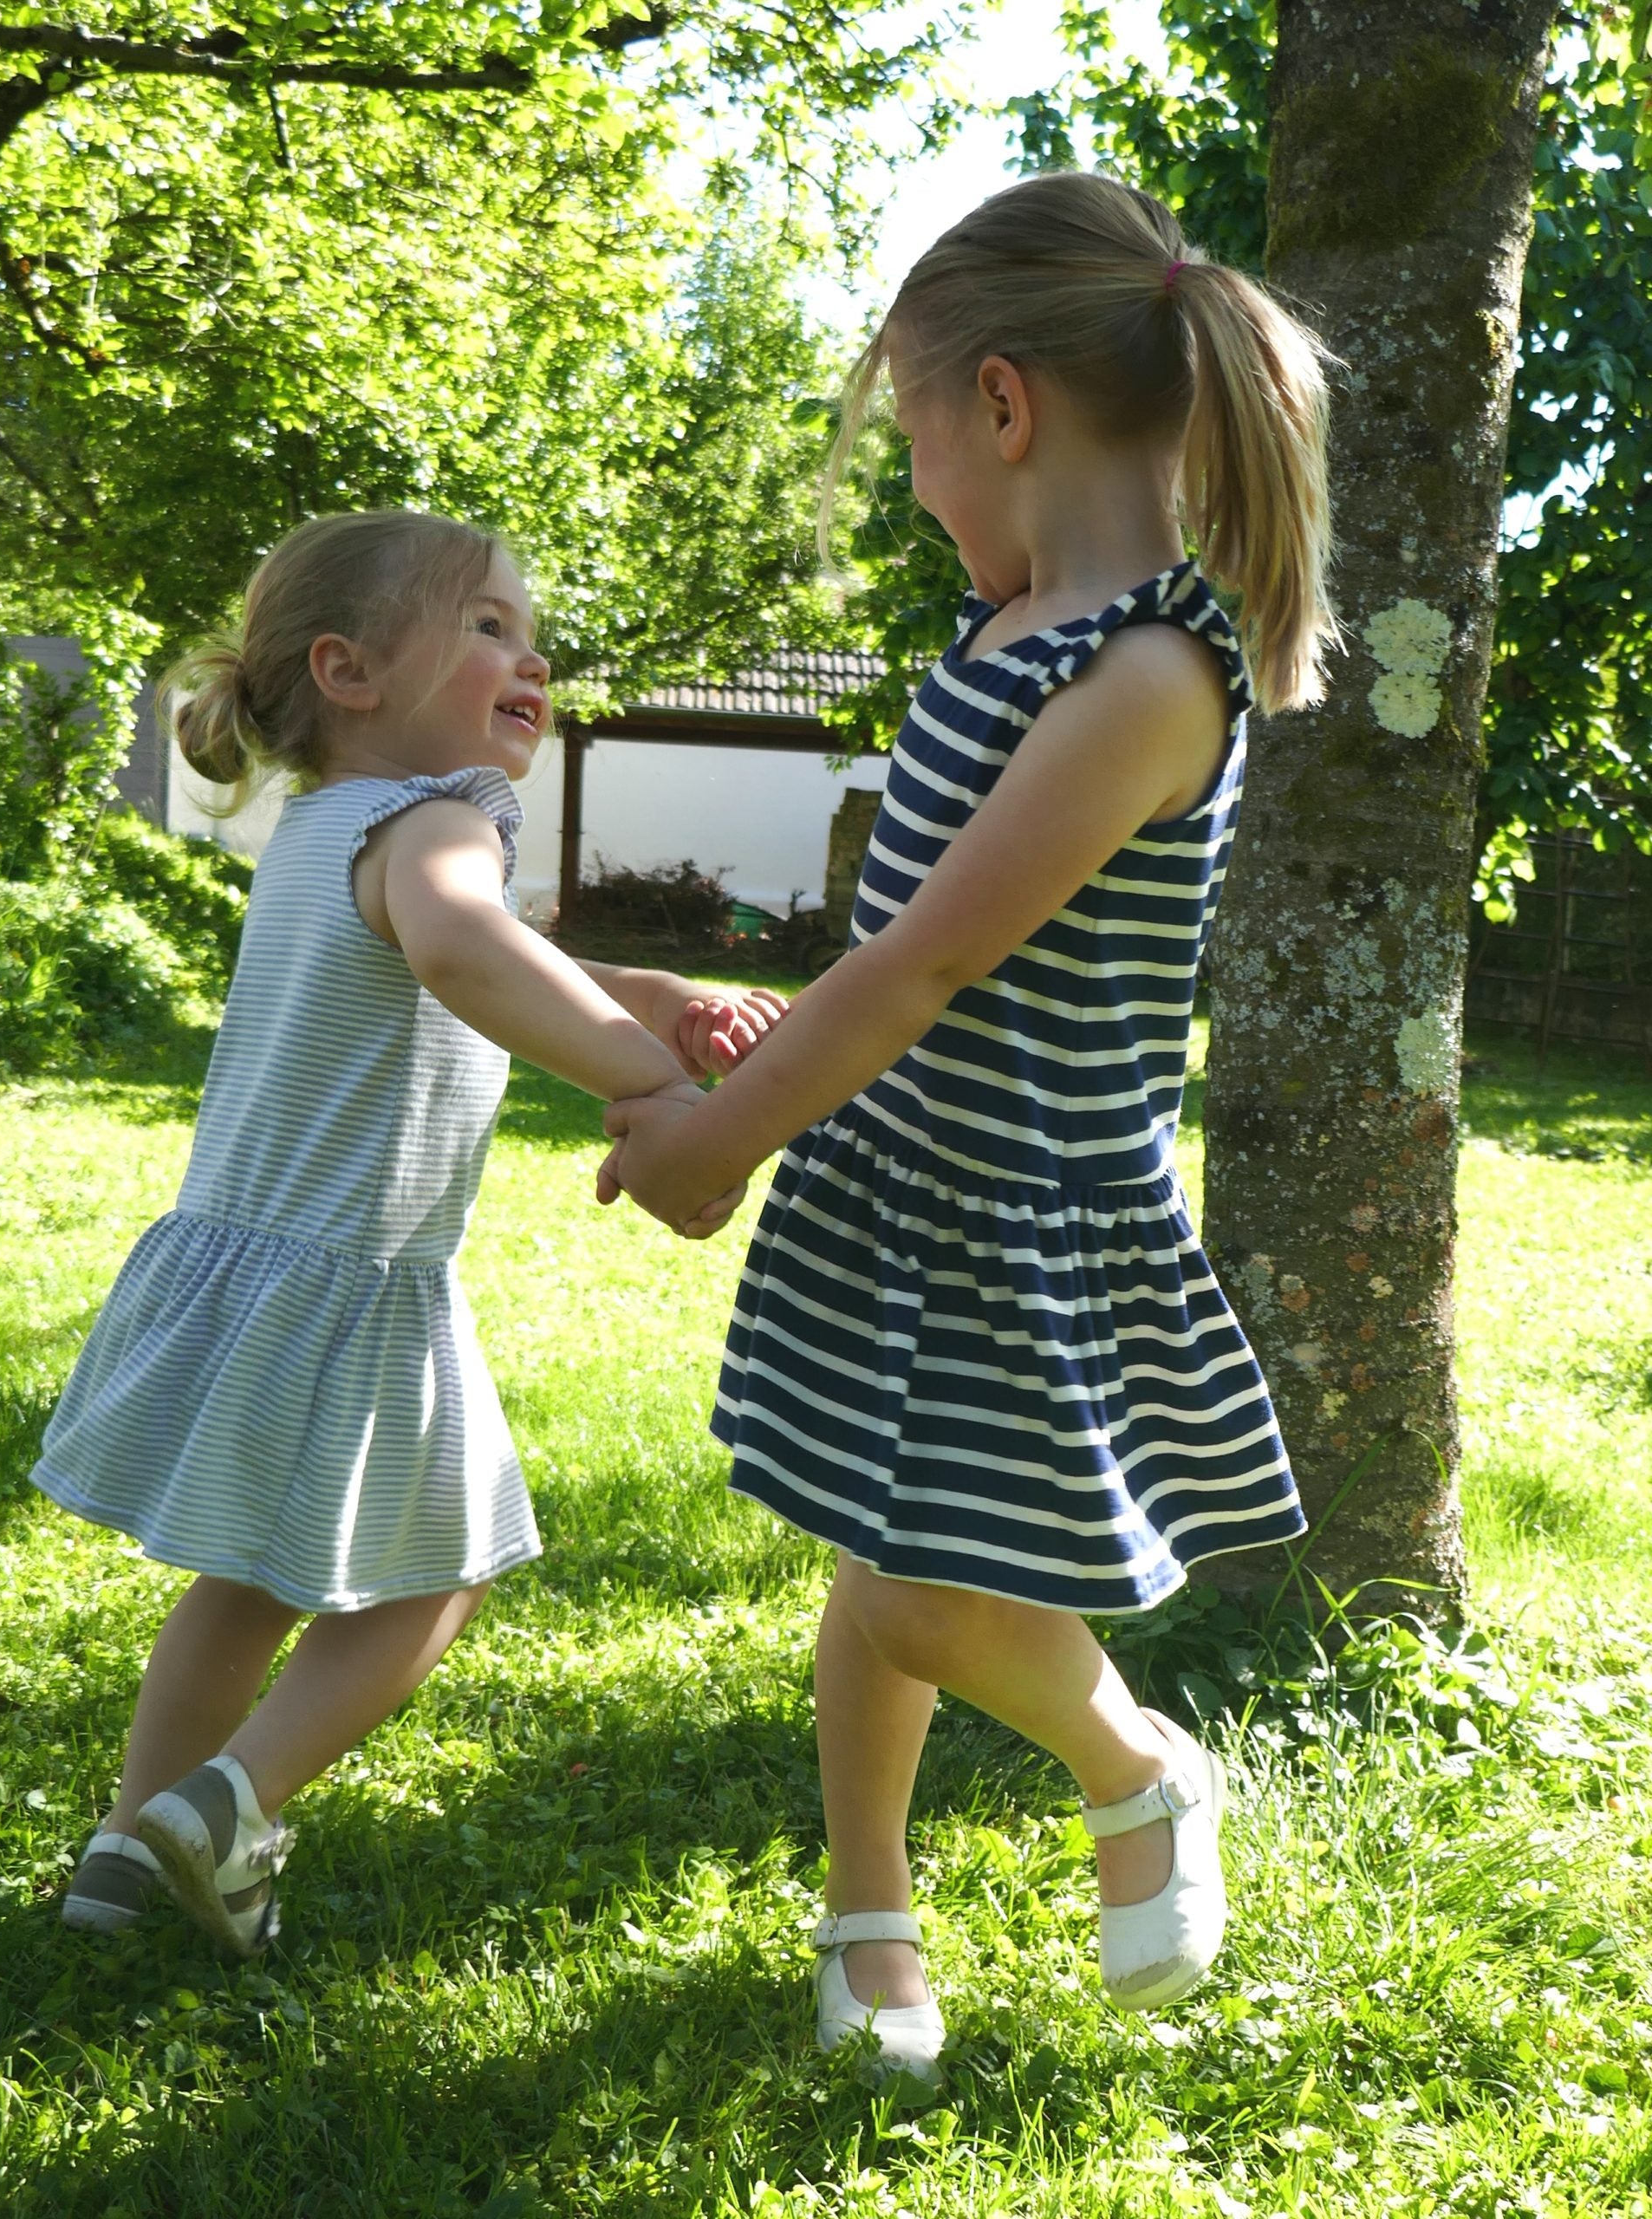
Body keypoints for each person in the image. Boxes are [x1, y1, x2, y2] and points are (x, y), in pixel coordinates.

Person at [598, 171, 1335, 2078]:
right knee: (872, 1535)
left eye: (912, 433)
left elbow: (923, 967)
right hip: (911, 1179)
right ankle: (867, 1910)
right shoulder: (1012, 633)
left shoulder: (1147, 673)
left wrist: (718, 1134)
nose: (917, 483)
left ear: (1000, 406)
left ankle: (1141, 1759)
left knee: (931, 1590)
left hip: (1025, 1211)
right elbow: (903, 954)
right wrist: (769, 1048)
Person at [40, 510, 783, 1956]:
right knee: (445, 1574)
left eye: (531, 630)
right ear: (352, 670)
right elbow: (459, 946)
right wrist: (663, 1091)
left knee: (245, 1580)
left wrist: (649, 995)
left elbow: (490, 951)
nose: (533, 654)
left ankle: (124, 1855)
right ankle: (228, 1801)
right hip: (358, 1280)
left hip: (247, 1259)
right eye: (489, 625)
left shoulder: (327, 826)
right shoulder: (445, 821)